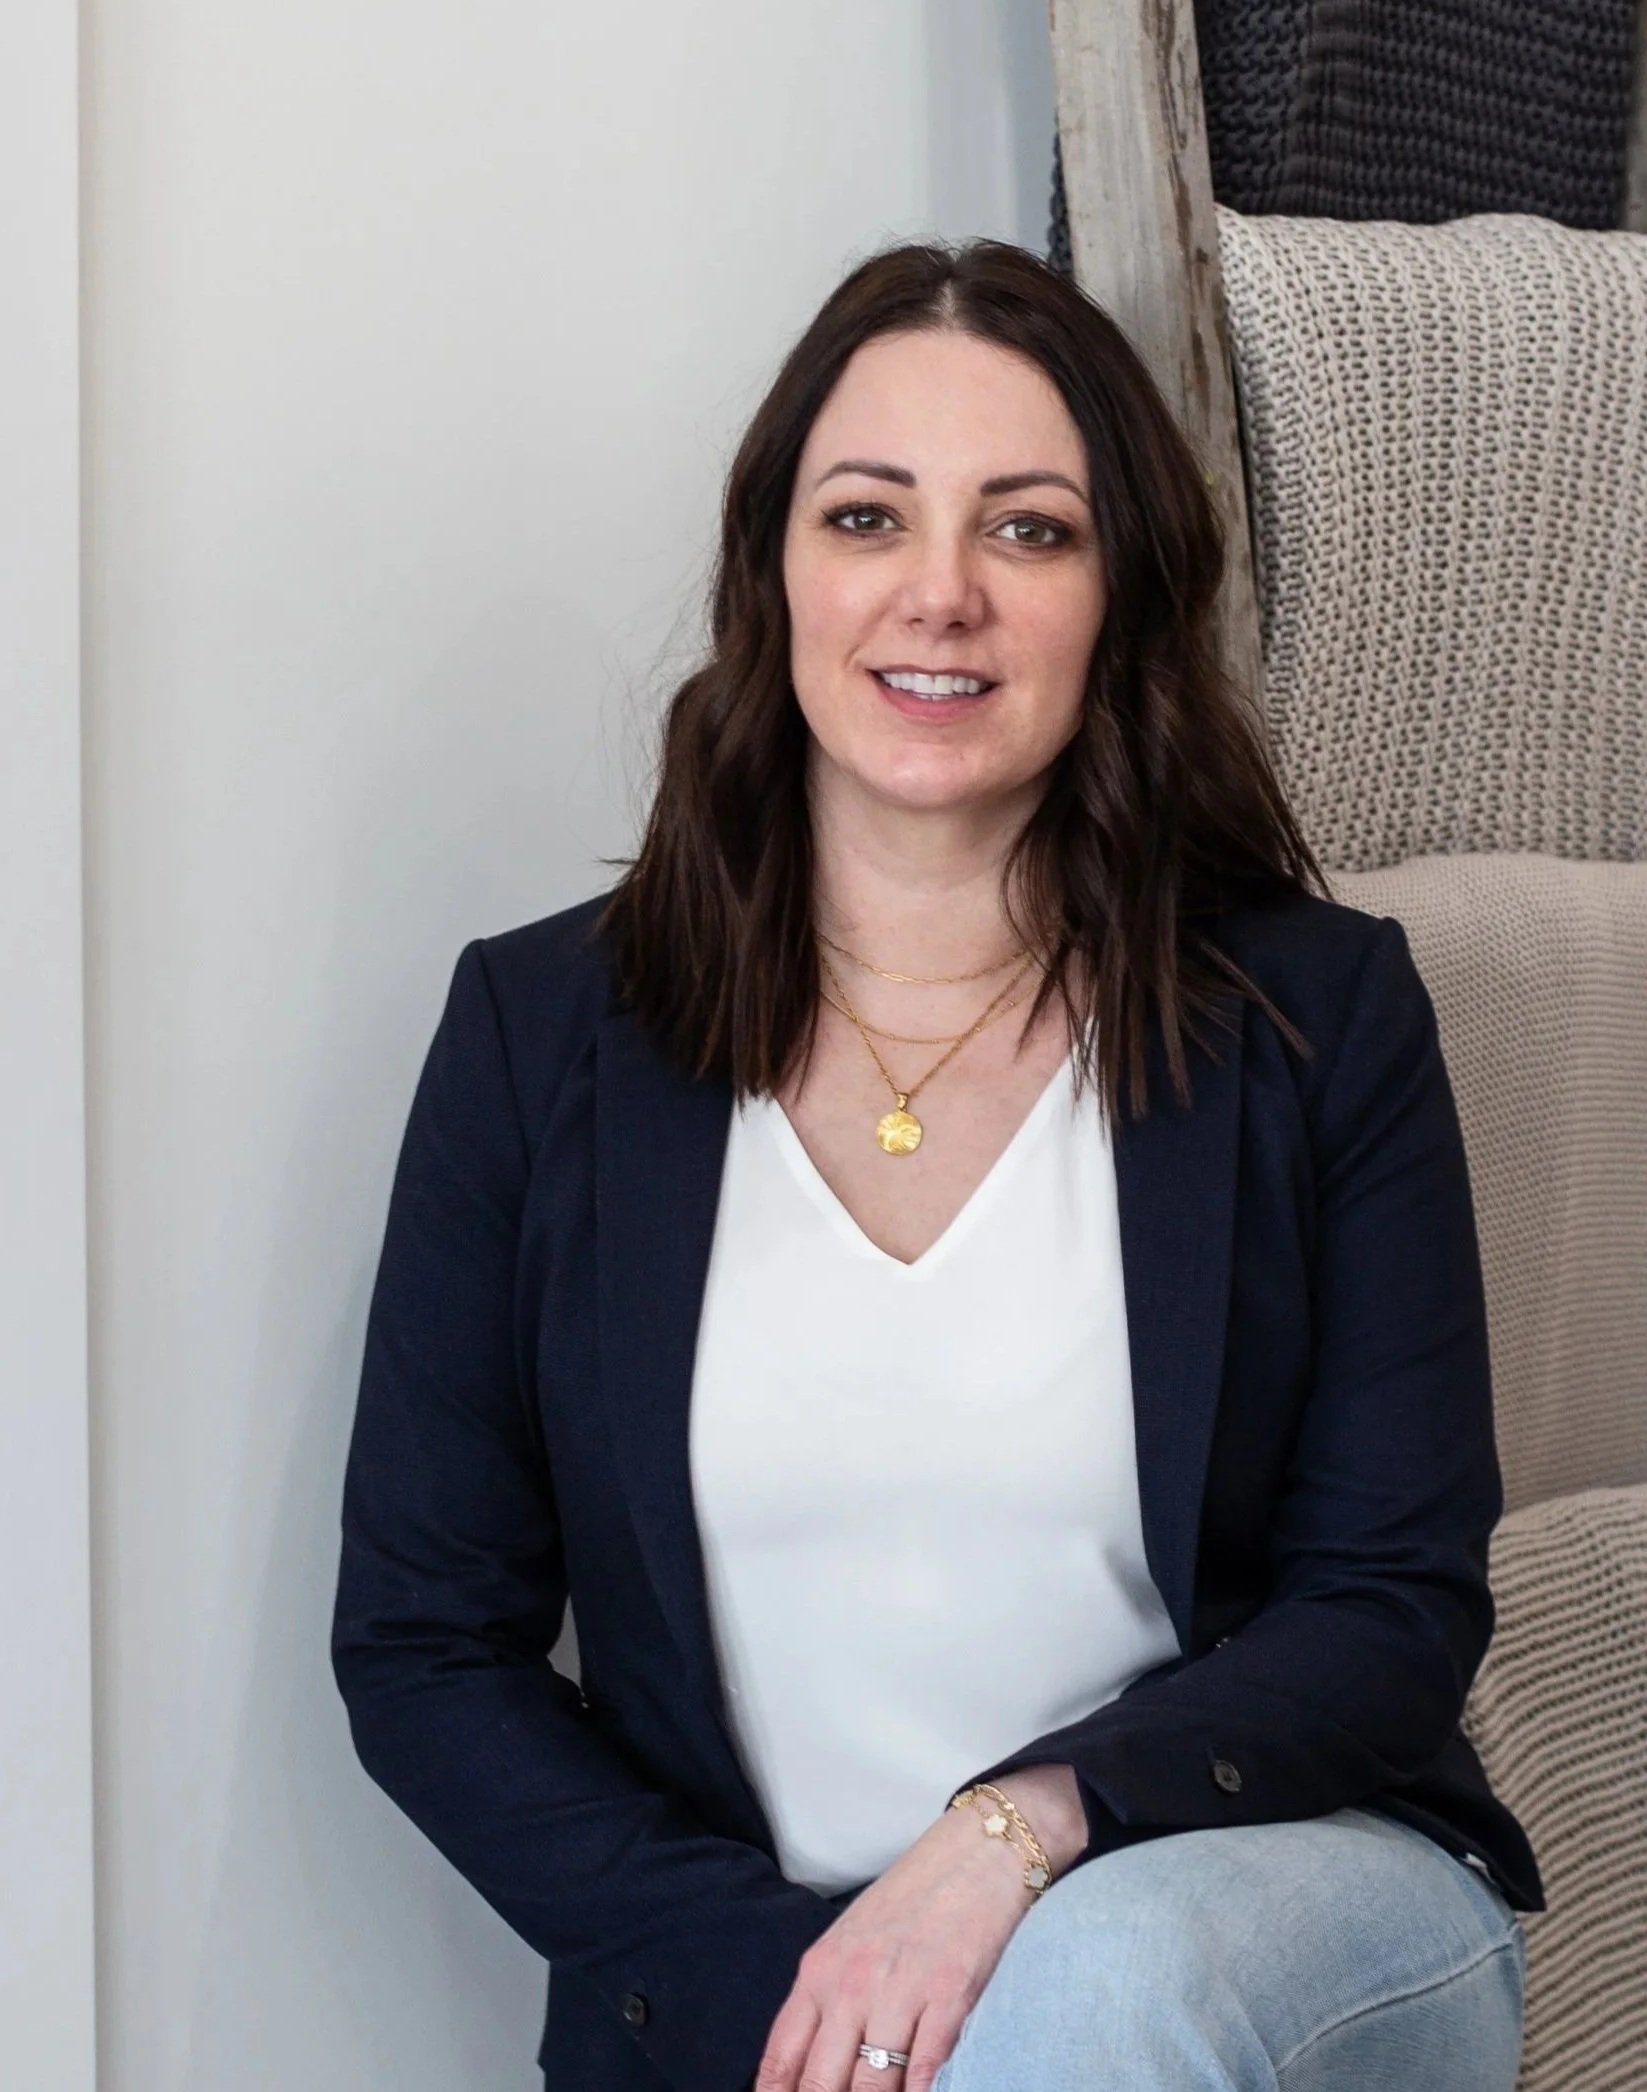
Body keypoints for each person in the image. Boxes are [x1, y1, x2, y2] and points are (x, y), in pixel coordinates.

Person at [331, 235, 1544, 2092]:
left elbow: (1392, 1604)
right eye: (869, 516)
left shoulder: (1318, 1016)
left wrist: (1015, 1837)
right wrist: (806, 1985)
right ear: (776, 571)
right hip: (763, 1978)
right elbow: (425, 1647)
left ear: (1121, 595)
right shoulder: (542, 1033)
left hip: (1262, 1899)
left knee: (1102, 1991)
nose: (942, 593)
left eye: (1029, 530)